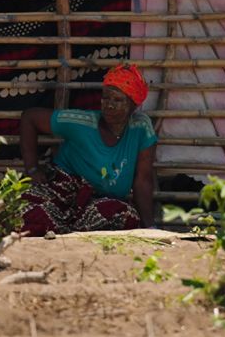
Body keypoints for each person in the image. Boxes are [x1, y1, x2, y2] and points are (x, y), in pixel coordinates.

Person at [17, 63, 158, 235]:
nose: (109, 105)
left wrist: (149, 226)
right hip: (65, 193)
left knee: (123, 215)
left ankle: (67, 231)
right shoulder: (81, 123)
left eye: (117, 100)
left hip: (99, 203)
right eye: (106, 98)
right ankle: (64, 231)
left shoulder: (141, 128)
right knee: (26, 211)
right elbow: (30, 117)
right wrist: (32, 168)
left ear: (133, 105)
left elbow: (143, 180)